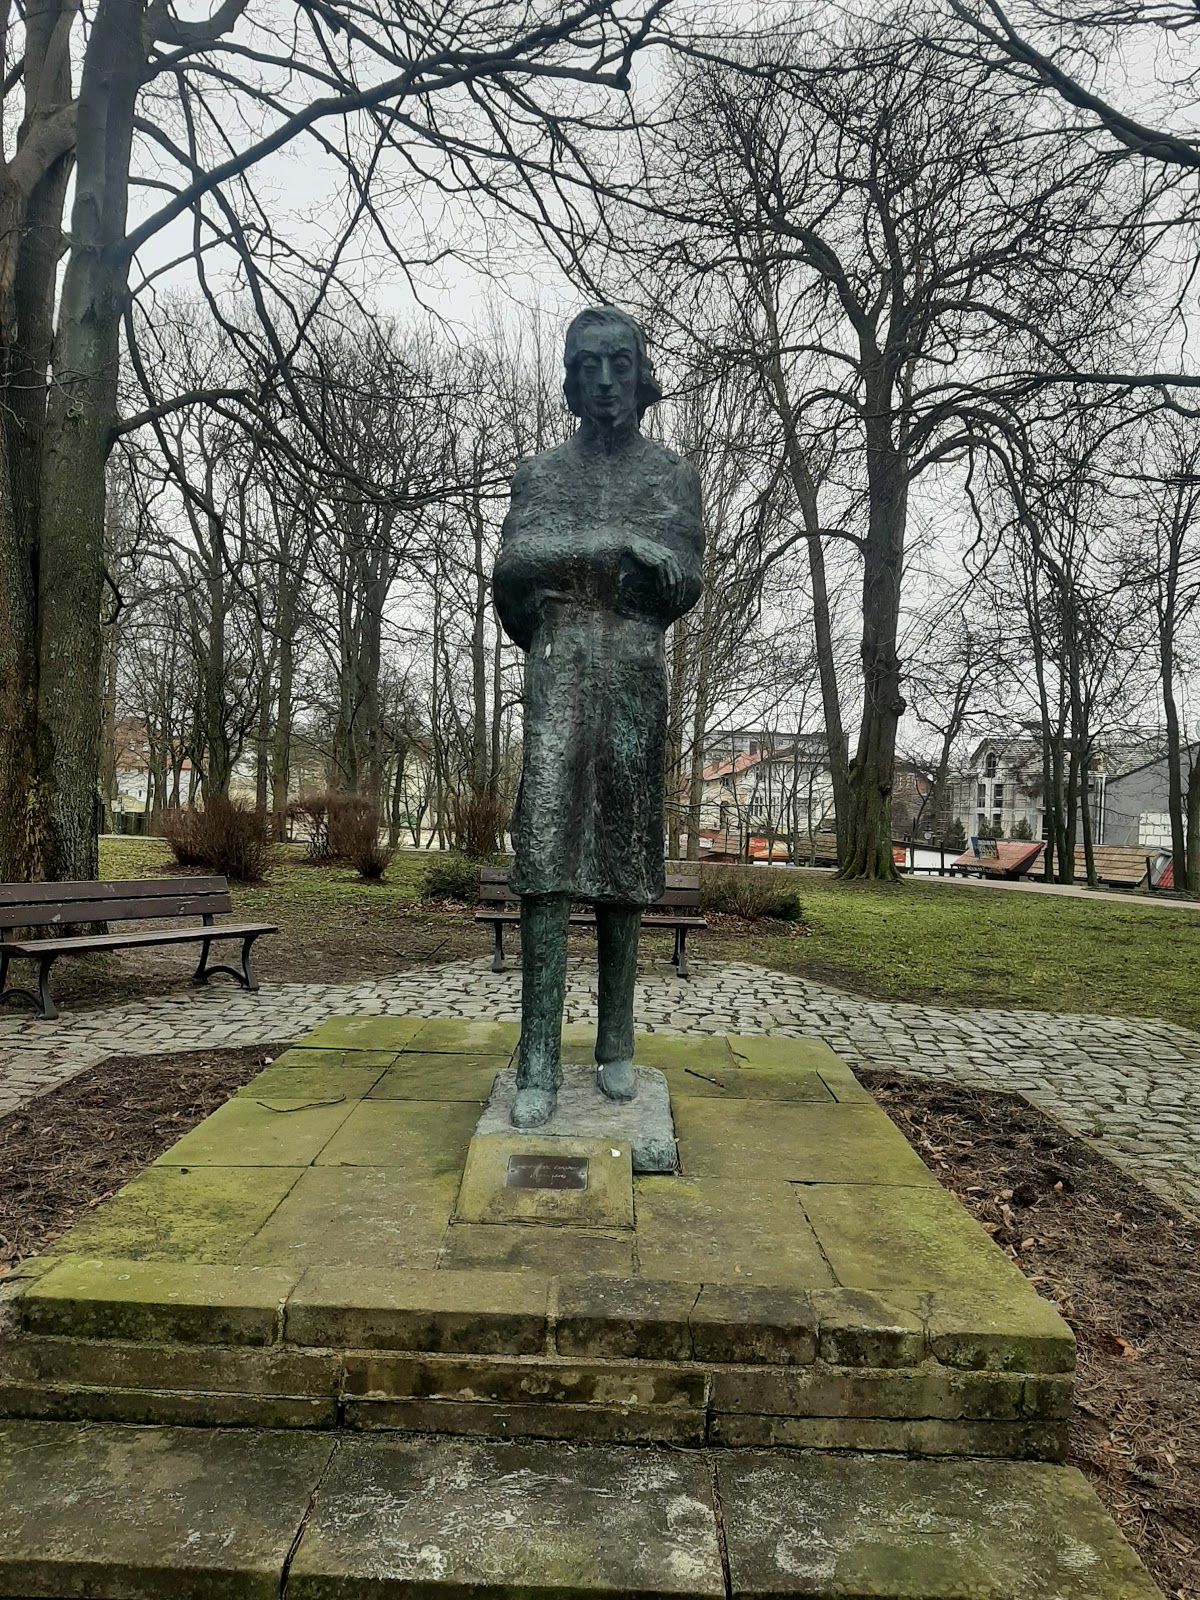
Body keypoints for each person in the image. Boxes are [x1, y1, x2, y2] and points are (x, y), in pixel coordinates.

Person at [493, 306, 704, 1128]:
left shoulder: (671, 476)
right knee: (546, 859)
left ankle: (615, 1043)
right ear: (571, 379)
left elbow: (683, 579)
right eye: (589, 366)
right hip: (561, 673)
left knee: (622, 864)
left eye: (620, 364)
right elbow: (512, 569)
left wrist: (639, 568)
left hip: (633, 679)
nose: (605, 380)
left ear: (641, 375)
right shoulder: (540, 475)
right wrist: (613, 550)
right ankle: (537, 1057)